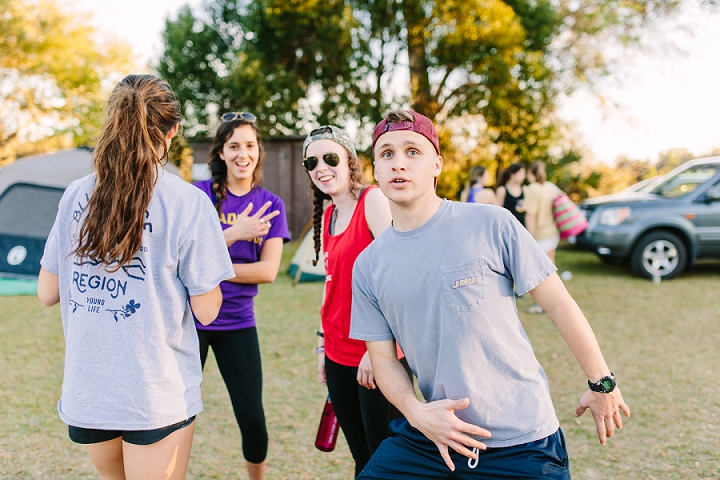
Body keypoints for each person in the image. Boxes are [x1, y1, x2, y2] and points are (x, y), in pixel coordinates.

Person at [349, 110, 630, 479]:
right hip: (433, 436)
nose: (398, 163)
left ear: (437, 163)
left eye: (412, 151)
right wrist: (415, 411)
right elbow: (383, 360)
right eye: (386, 154)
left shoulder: (490, 223)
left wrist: (602, 382)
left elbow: (559, 304)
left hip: (521, 443)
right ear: (376, 169)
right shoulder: (369, 264)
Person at [37, 74, 234, 480]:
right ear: (173, 130)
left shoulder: (76, 193)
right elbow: (209, 310)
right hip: (153, 393)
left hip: (89, 391)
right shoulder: (187, 202)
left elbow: (46, 291)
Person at [303, 125, 410, 476]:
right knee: (362, 457)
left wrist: (380, 350)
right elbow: (330, 285)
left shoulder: (374, 201)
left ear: (350, 161)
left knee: (387, 457)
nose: (321, 167)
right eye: (312, 161)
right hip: (337, 353)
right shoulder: (330, 214)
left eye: (330, 157)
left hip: (375, 354)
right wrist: (322, 344)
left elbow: (399, 278)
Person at [193, 111, 290, 480]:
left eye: (249, 145)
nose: (242, 154)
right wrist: (235, 234)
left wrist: (209, 262)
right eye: (233, 146)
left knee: (251, 417)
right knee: (176, 410)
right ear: (220, 152)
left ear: (258, 151)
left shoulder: (272, 205)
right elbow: (183, 257)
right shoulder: (198, 197)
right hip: (192, 321)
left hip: (237, 323)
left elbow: (267, 271)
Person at [524, 160, 561, 313]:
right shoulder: (549, 187)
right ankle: (556, 300)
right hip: (552, 232)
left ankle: (543, 304)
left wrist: (528, 238)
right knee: (551, 269)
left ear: (530, 172)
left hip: (540, 235)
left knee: (540, 272)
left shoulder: (533, 189)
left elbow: (531, 215)